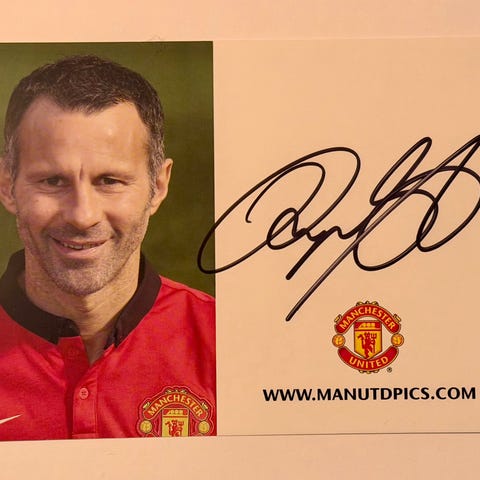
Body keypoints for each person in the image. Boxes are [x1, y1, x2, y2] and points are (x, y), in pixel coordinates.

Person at [0, 55, 216, 440]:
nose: (82, 216)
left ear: (158, 186)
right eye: (52, 181)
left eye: (110, 181)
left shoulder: (227, 341)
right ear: (6, 185)